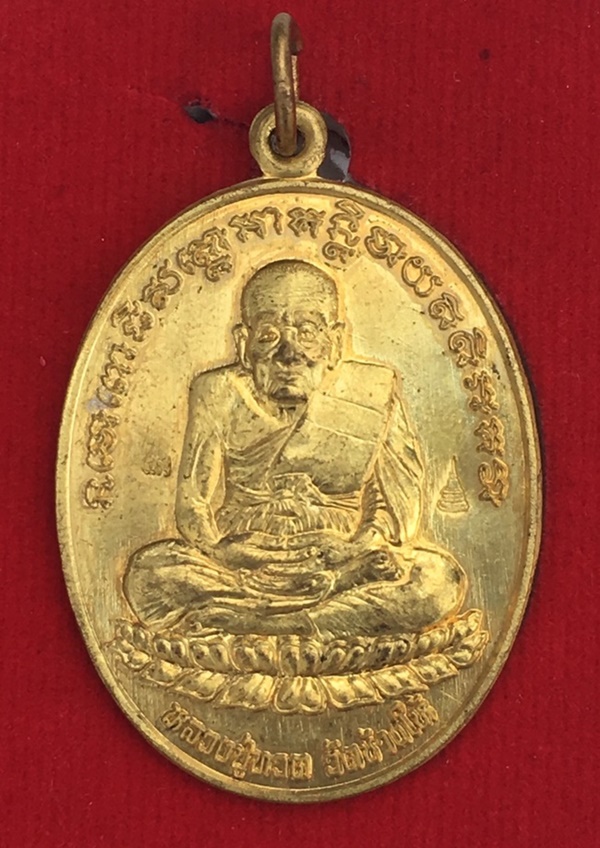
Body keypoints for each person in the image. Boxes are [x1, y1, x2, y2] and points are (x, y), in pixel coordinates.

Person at [124, 259, 466, 640]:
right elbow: (193, 504)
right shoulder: (216, 392)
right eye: (269, 335)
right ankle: (313, 622)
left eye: (307, 332)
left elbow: (398, 506)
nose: (289, 353)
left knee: (437, 579)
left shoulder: (373, 390)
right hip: (247, 559)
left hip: (339, 559)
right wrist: (220, 551)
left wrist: (359, 547)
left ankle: (264, 623)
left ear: (335, 342)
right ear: (243, 343)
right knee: (149, 573)